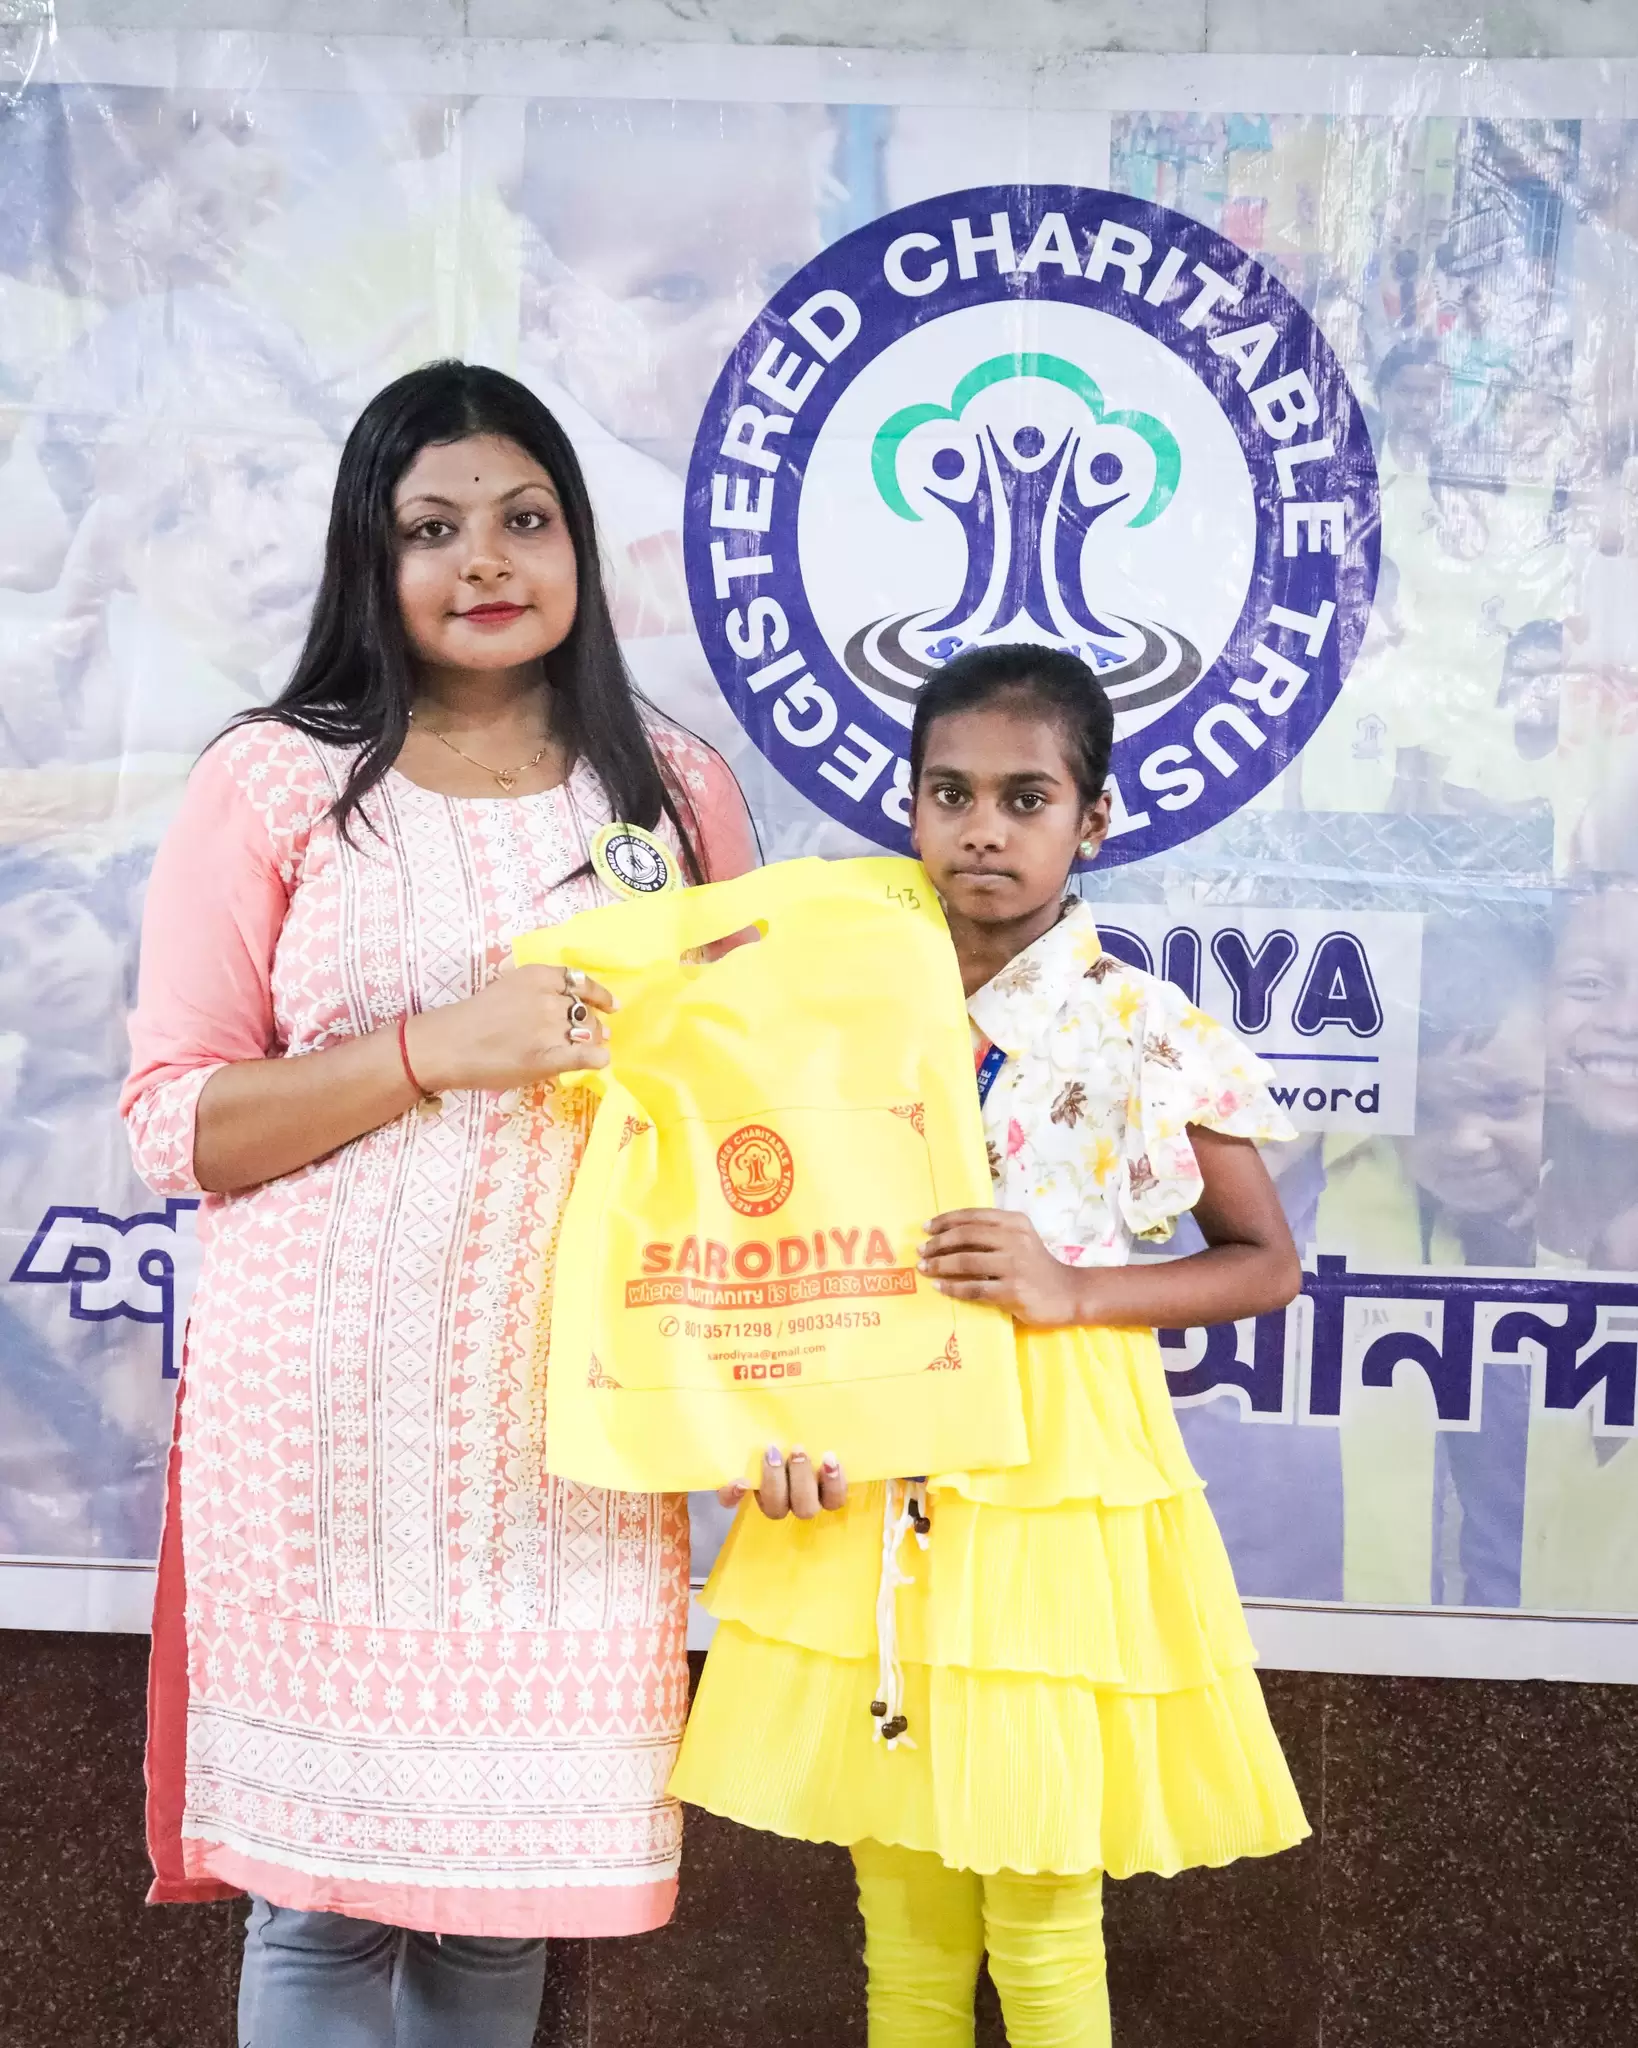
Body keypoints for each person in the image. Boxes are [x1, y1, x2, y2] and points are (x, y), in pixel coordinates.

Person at [120, 360, 757, 2047]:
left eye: (524, 519)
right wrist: (429, 1050)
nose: (485, 559)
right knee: (322, 1909)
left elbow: (751, 1117)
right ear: (368, 556)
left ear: (578, 546)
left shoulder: (673, 791)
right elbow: (174, 1122)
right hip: (326, 1434)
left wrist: (773, 1386)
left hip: (573, 1444)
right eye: (431, 528)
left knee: (500, 1909)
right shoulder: (277, 781)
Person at [672, 643, 1308, 2048]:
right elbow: (764, 1244)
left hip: (1049, 1475)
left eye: (1027, 799)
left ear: (1093, 819)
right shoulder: (837, 1014)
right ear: (908, 809)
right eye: (948, 793)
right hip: (869, 1453)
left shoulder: (1140, 1026)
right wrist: (763, 1416)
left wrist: (1072, 1289)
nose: (981, 828)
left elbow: (1265, 1264)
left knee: (1040, 1910)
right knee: (900, 1921)